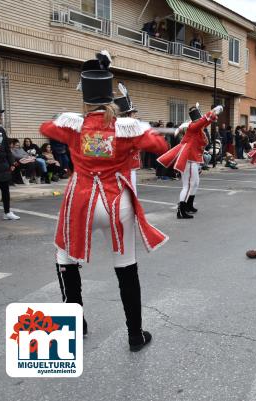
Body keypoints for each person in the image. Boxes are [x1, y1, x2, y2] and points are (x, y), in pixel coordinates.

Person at [39, 50, 169, 351]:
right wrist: (144, 128)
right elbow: (159, 144)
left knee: (65, 259)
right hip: (115, 202)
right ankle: (135, 335)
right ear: (110, 98)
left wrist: (70, 118)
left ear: (85, 99)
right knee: (126, 267)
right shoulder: (124, 128)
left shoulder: (74, 125)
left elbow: (46, 128)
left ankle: (73, 326)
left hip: (80, 200)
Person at [157, 104, 222, 218]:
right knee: (187, 185)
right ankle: (181, 210)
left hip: (193, 159)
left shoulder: (197, 127)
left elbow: (205, 122)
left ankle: (188, 205)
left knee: (195, 183)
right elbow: (203, 121)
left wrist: (213, 114)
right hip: (189, 159)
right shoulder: (193, 126)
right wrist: (212, 111)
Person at [0, 105, 19, 222]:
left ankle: (7, 212)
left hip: (2, 164)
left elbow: (6, 147)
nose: (0, 117)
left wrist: (12, 162)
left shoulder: (1, 130)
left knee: (5, 190)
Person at [113, 82, 142, 192]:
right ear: (128, 115)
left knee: (128, 190)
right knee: (129, 190)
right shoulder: (124, 125)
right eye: (133, 114)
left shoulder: (123, 124)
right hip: (125, 162)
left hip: (128, 162)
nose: (136, 116)